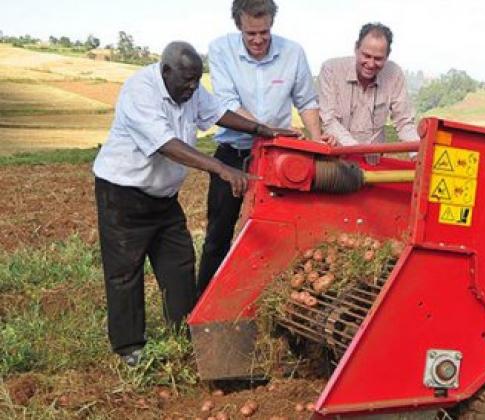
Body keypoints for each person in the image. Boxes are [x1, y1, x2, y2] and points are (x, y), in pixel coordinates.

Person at [93, 41, 290, 366]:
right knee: (125, 272)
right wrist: (221, 168)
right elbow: (166, 144)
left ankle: (184, 335)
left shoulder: (191, 89)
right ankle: (130, 348)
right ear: (166, 71)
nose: (193, 87)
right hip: (123, 194)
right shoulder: (140, 91)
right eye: (187, 80)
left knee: (180, 264)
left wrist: (262, 130)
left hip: (164, 198)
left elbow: (218, 113)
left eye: (197, 80)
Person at [197, 0, 326, 296]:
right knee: (218, 234)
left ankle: (265, 300)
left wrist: (317, 139)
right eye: (250, 33)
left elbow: (306, 101)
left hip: (278, 159)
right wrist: (267, 131)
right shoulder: (221, 49)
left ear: (272, 24)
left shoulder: (293, 52)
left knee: (275, 234)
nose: (258, 40)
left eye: (264, 32)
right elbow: (227, 104)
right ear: (239, 26)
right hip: (233, 155)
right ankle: (204, 303)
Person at [318, 22, 419, 155]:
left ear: (387, 55)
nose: (371, 64)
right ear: (356, 48)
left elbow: (404, 121)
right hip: (337, 157)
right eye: (366, 56)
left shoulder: (394, 74)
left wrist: (418, 154)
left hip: (374, 159)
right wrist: (357, 150)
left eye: (378, 59)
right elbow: (328, 119)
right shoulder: (331, 70)